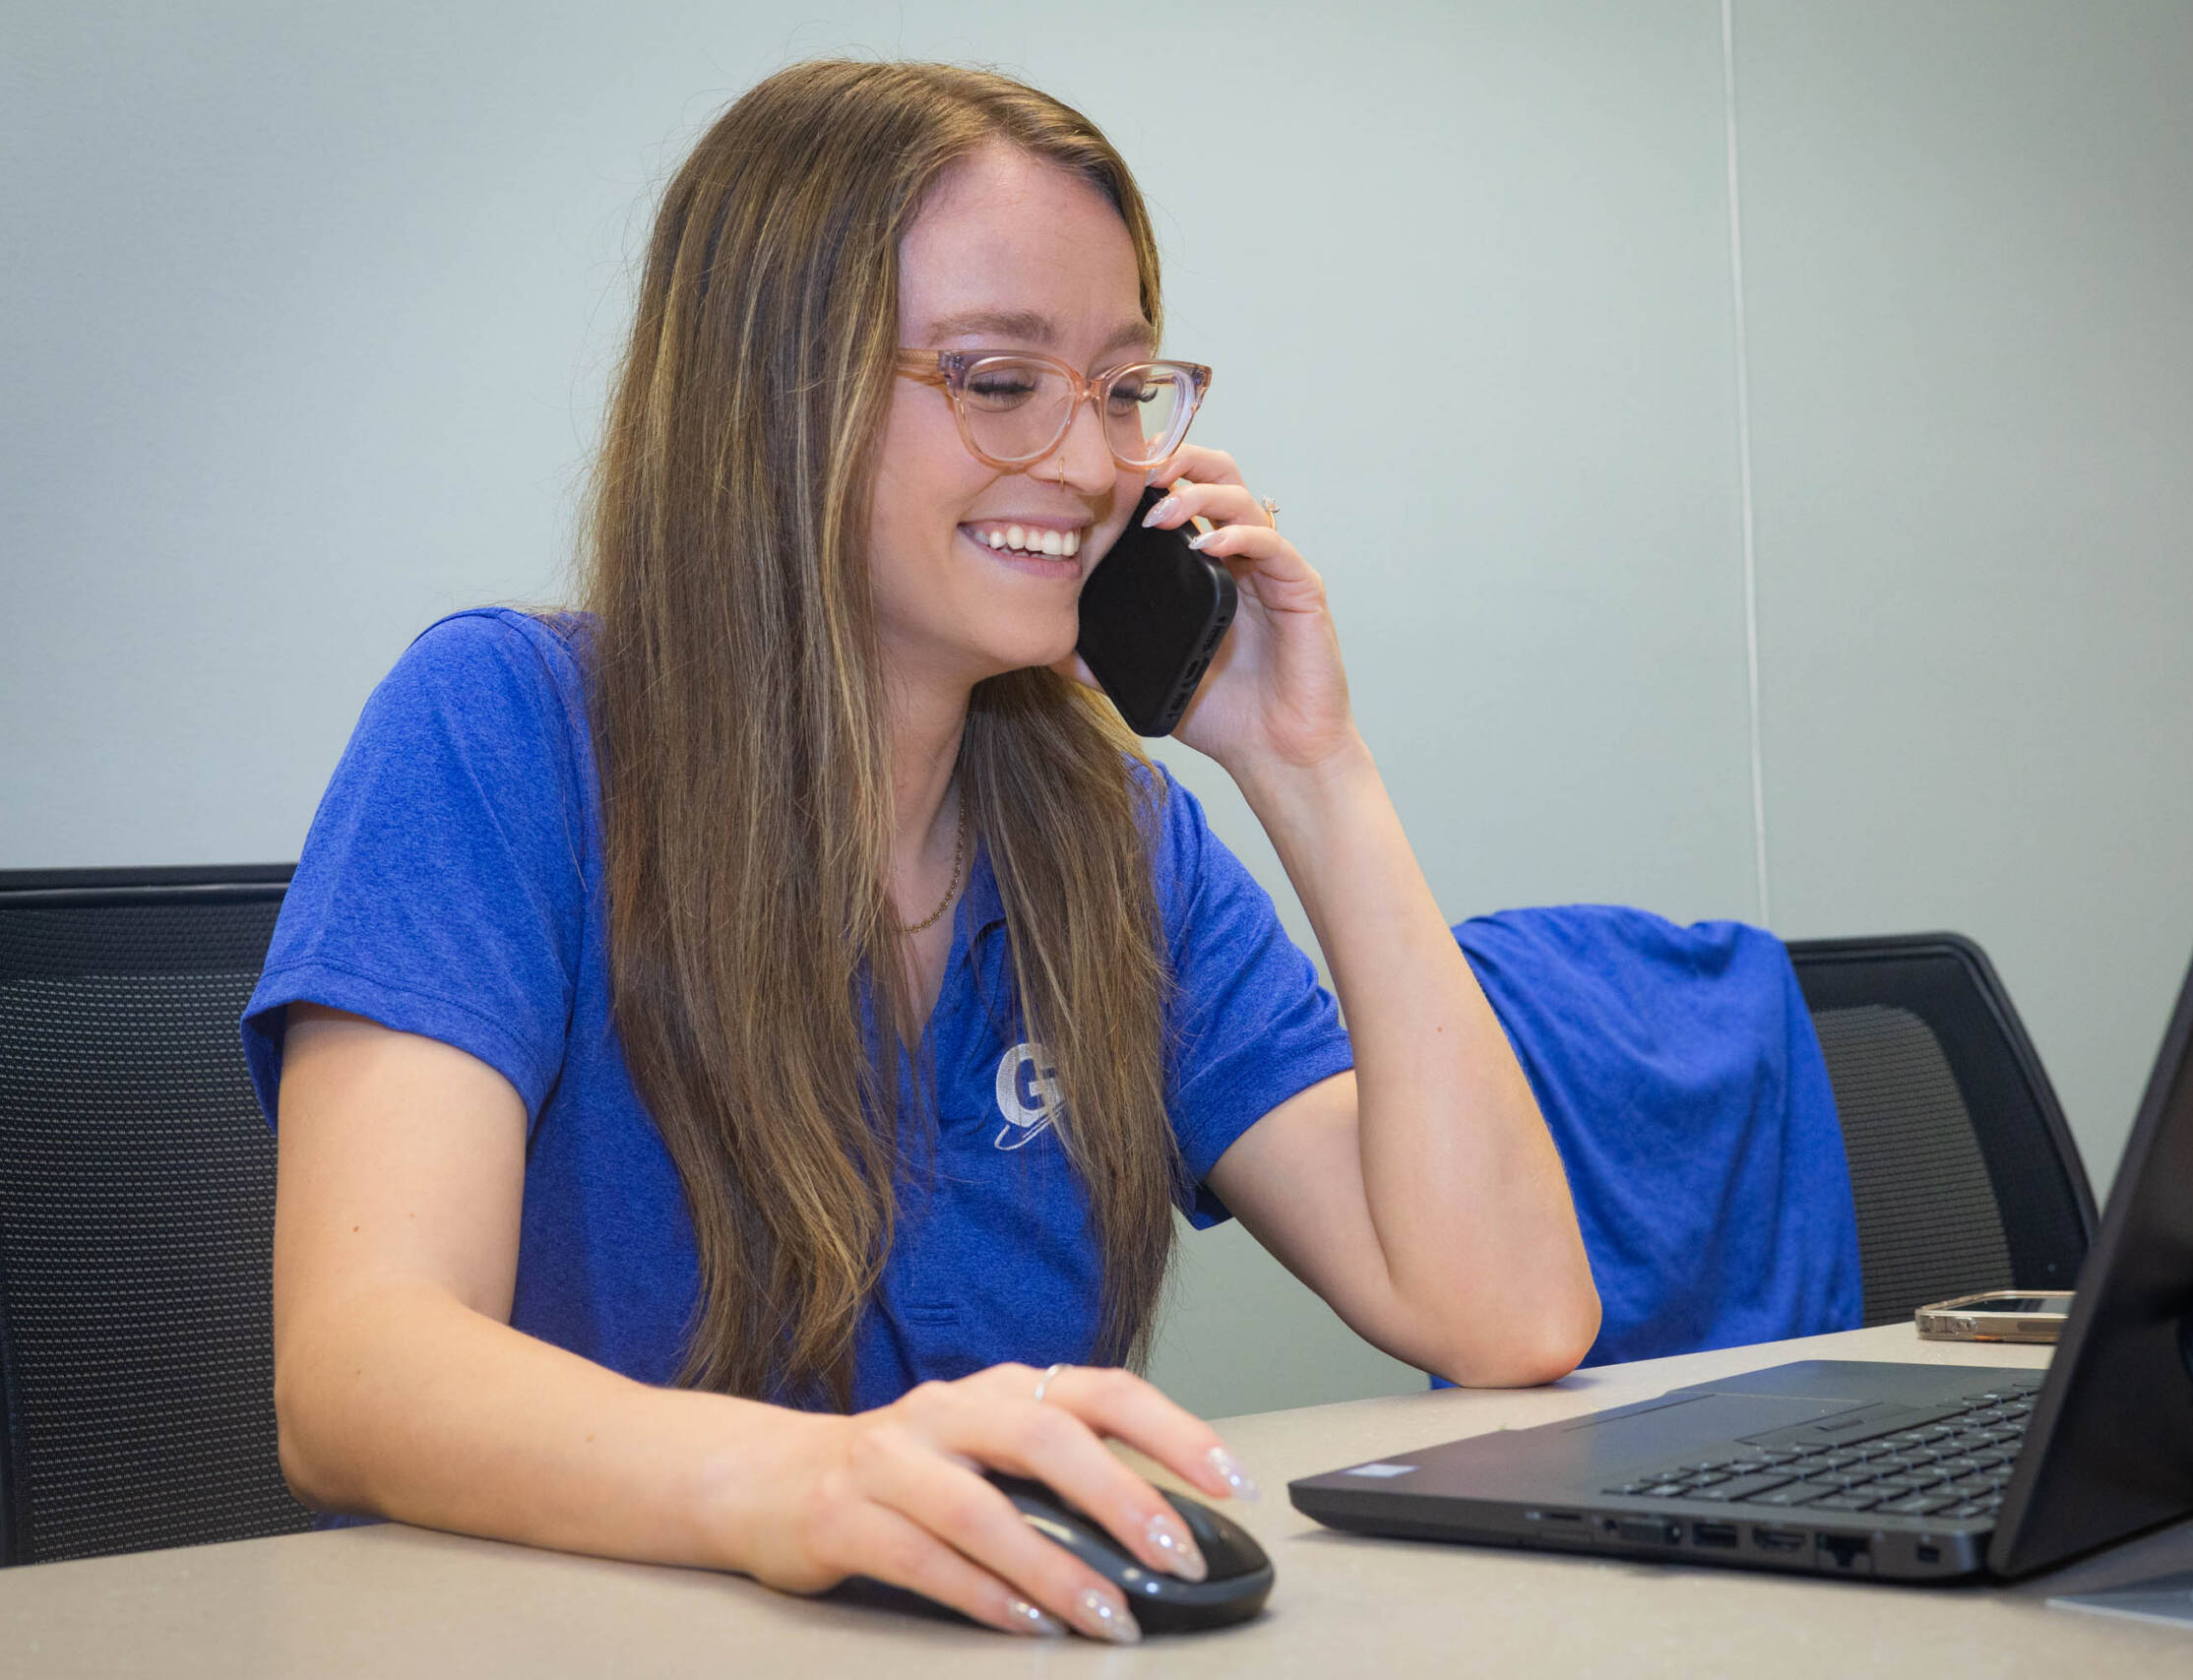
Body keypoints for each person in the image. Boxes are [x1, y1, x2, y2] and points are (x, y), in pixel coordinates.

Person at [248, 59, 1598, 1646]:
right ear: (777, 398)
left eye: (1122, 388)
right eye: (1001, 380)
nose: (1092, 465)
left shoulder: (1111, 839)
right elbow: (354, 1373)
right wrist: (802, 1485)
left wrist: (1313, 769)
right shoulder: (505, 729)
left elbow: (1506, 1315)